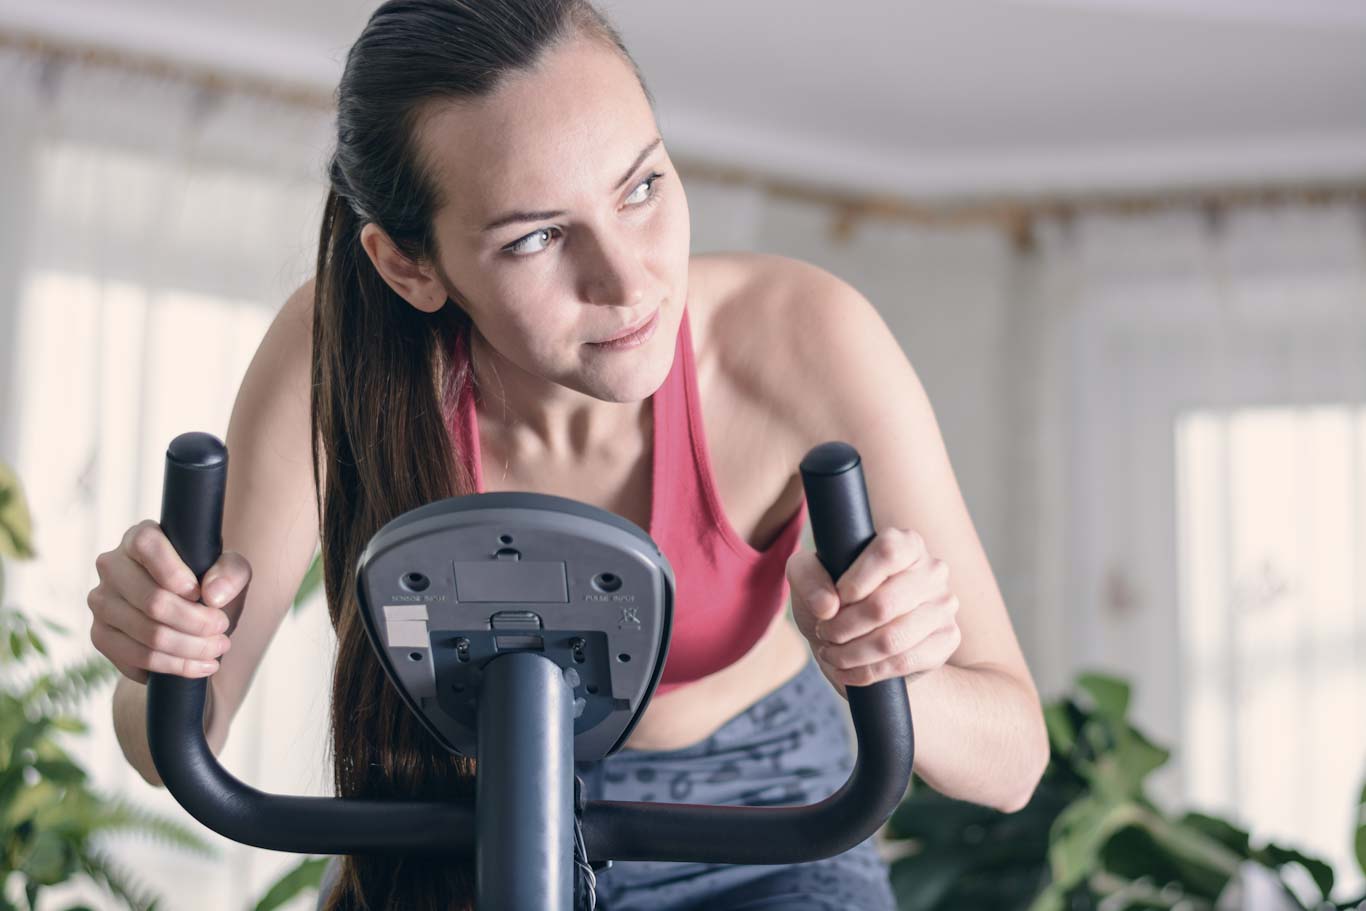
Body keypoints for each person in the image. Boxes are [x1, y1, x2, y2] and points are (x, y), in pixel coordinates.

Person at [88, 1, 1050, 908]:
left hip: (762, 836)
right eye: (539, 235)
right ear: (408, 265)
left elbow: (1013, 762)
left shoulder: (804, 337)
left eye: (642, 187)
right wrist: (165, 662)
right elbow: (179, 735)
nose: (630, 281)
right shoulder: (335, 353)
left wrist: (890, 667)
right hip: (460, 830)